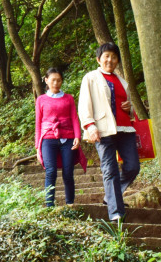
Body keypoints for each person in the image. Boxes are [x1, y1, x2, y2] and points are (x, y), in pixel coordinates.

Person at [78, 42, 140, 221]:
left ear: (118, 60)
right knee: (110, 169)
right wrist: (89, 125)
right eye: (106, 56)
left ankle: (111, 196)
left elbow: (129, 108)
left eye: (114, 57)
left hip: (125, 128)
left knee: (133, 166)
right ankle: (116, 213)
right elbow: (84, 104)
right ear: (99, 59)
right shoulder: (91, 78)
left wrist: (130, 109)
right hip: (103, 130)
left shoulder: (122, 81)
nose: (110, 60)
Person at [35, 68, 87, 207]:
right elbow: (38, 123)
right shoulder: (41, 100)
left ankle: (70, 203)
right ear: (46, 80)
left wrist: (77, 136)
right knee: (51, 171)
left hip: (68, 138)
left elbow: (74, 118)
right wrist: (37, 145)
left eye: (59, 80)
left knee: (68, 172)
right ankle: (49, 204)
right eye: (53, 80)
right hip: (48, 138)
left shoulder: (68, 98)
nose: (56, 83)